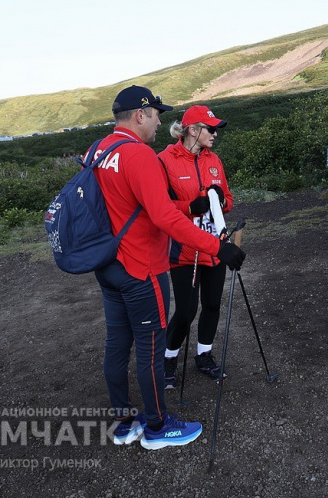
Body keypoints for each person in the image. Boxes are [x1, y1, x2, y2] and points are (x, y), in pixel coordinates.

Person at [88, 85, 246, 450]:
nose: (160, 120)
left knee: (117, 344)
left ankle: (124, 422)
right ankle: (158, 427)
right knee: (150, 345)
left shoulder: (98, 150)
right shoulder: (142, 155)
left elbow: (137, 206)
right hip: (142, 265)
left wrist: (194, 209)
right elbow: (161, 217)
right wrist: (217, 248)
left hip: (107, 262)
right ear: (139, 114)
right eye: (156, 113)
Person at [157, 105, 234, 388]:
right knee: (186, 311)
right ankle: (168, 360)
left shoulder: (214, 160)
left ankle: (204, 356)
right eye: (210, 128)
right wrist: (188, 206)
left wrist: (221, 201)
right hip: (184, 250)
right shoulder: (165, 160)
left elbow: (228, 198)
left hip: (215, 246)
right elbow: (159, 207)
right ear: (192, 130)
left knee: (212, 304)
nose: (215, 133)